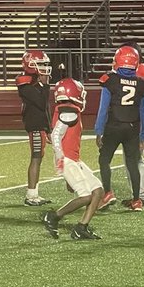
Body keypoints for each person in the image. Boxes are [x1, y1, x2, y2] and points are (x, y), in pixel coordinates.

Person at [42, 78, 104, 241]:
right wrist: (60, 157)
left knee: (97, 190)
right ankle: (54, 216)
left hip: (73, 159)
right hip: (68, 159)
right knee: (86, 196)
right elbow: (55, 135)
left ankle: (81, 228)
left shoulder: (68, 109)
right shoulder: (68, 110)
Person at [94, 45, 144, 211]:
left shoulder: (109, 80)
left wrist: (99, 131)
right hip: (132, 128)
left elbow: (103, 108)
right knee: (133, 164)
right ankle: (136, 200)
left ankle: (108, 193)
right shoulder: (141, 83)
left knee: (104, 160)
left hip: (113, 126)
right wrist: (142, 135)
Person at [16, 49, 53, 206]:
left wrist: (49, 128)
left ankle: (34, 194)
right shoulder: (24, 82)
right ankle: (31, 196)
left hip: (41, 125)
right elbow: (41, 102)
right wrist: (45, 85)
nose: (44, 67)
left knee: (39, 157)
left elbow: (46, 108)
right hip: (34, 124)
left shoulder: (36, 81)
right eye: (40, 64)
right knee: (36, 157)